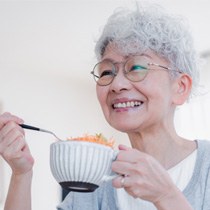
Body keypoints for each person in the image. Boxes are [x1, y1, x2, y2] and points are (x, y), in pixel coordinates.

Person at [0, 2, 210, 210]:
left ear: (180, 87)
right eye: (107, 72)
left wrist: (167, 196)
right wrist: (21, 174)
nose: (117, 84)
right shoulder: (98, 177)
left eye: (136, 67)